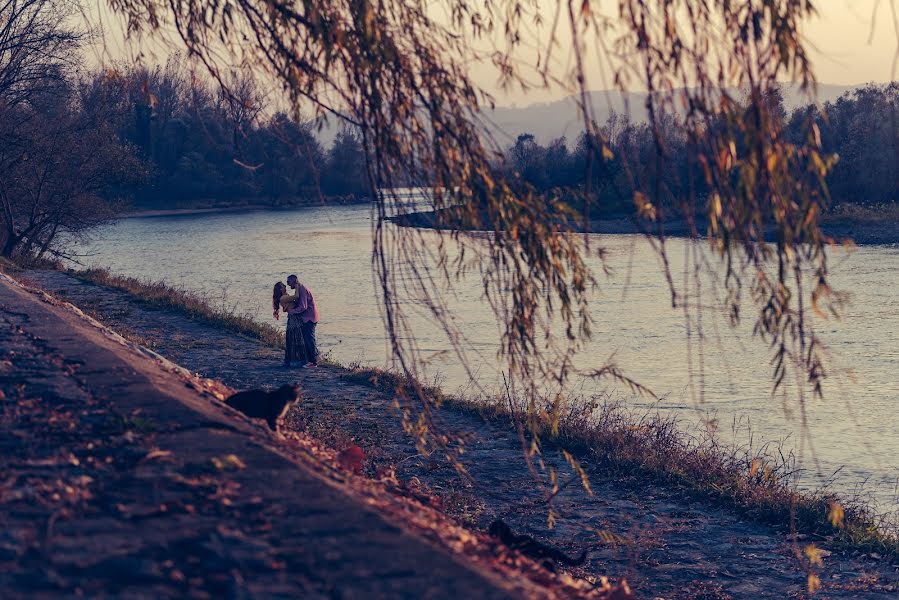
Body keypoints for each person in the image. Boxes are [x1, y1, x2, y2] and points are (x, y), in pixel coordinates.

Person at [286, 274, 320, 367]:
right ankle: (314, 358)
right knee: (307, 338)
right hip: (307, 317)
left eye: (289, 282)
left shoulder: (302, 289)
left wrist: (292, 311)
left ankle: (313, 362)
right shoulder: (299, 289)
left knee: (309, 339)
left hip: (310, 317)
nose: (288, 284)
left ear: (294, 281)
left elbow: (303, 307)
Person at [272, 281, 307, 367]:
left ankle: (296, 360)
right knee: (295, 338)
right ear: (281, 289)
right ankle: (296, 360)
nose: (285, 286)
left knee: (296, 338)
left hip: (294, 318)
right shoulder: (283, 298)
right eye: (283, 286)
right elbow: (296, 296)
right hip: (293, 319)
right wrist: (298, 287)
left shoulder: (285, 296)